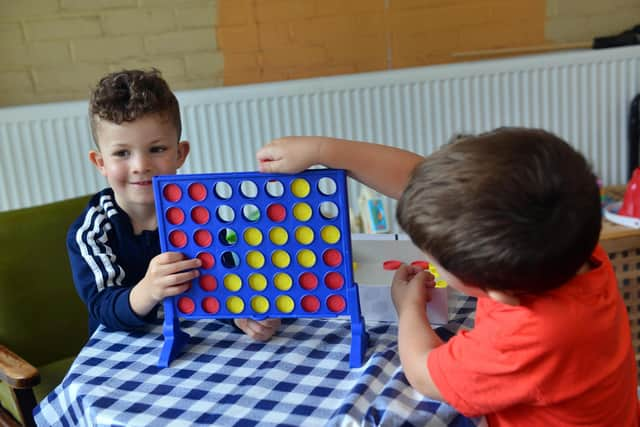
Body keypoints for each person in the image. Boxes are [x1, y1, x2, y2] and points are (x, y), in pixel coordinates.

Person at [256, 129, 640, 426]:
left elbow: (424, 373)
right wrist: (324, 151)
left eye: (437, 260)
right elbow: (424, 183)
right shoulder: (565, 238)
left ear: (496, 291)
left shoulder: (531, 335)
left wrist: (409, 309)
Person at [67, 69, 280, 341]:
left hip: (192, 342)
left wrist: (239, 314)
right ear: (100, 163)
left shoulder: (197, 216)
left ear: (180, 154)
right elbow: (102, 306)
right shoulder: (92, 232)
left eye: (157, 149)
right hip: (119, 349)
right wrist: (149, 289)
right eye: (122, 153)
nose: (141, 166)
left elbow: (216, 278)